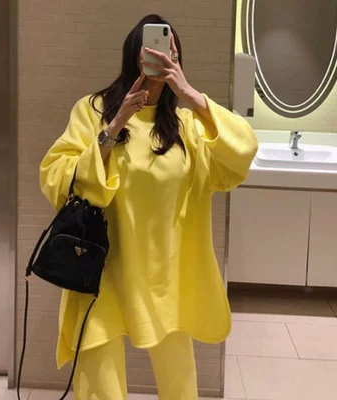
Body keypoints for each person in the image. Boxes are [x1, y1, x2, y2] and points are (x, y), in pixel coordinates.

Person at [40, 13, 258, 400]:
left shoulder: (187, 125)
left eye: (169, 52)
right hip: (102, 272)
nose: (160, 57)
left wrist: (190, 93)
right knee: (100, 388)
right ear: (134, 55)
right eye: (151, 50)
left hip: (167, 276)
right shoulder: (93, 111)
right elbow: (56, 178)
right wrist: (113, 127)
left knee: (179, 385)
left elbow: (242, 152)